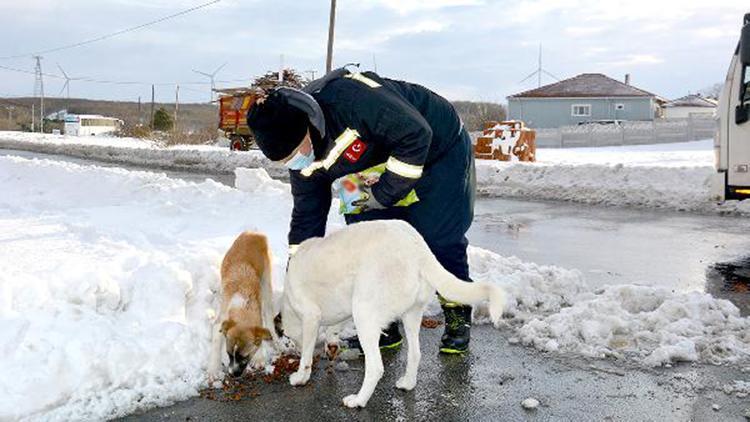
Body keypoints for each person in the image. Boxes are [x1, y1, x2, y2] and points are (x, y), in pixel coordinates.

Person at [246, 67, 476, 354]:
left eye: (294, 154)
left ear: (306, 128)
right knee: (367, 241)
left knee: (438, 235)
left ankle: (457, 314)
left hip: (435, 151)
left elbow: (416, 135)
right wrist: (298, 279)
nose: (295, 163)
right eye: (286, 162)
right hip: (371, 166)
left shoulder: (351, 100)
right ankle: (383, 322)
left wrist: (382, 194)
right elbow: (306, 219)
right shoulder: (304, 164)